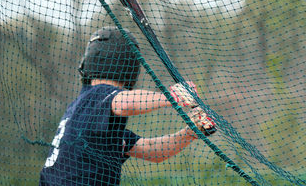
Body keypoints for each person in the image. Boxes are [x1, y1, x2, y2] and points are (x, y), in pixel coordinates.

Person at [39, 26, 216, 185]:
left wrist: (189, 133)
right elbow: (122, 103)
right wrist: (172, 97)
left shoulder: (87, 113)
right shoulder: (96, 95)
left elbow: (151, 151)